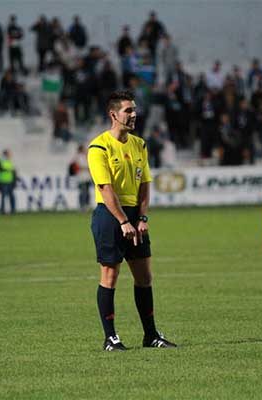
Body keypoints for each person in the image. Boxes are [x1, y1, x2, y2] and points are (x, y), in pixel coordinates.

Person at [87, 90, 177, 351]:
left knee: (144, 277)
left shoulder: (140, 144)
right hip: (110, 216)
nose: (134, 114)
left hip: (135, 217)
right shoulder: (99, 146)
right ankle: (111, 338)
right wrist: (124, 221)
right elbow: (105, 189)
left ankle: (150, 335)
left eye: (134, 109)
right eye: (128, 110)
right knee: (110, 274)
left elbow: (145, 185)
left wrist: (142, 217)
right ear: (113, 114)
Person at [0, 149, 16, 214]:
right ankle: (2, 210)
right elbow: (0, 169)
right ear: (5, 154)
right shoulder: (0, 161)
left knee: (11, 196)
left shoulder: (9, 161)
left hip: (9, 181)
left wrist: (14, 180)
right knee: (3, 196)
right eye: (9, 153)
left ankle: (13, 210)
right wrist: (8, 170)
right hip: (3, 181)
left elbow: (12, 171)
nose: (10, 155)